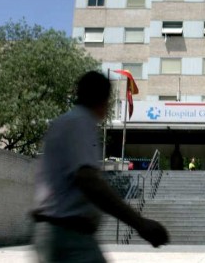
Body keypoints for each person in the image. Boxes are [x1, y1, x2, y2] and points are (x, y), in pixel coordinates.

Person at [33, 71, 169, 262]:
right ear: (104, 100)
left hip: (53, 232)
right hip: (69, 235)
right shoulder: (81, 122)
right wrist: (139, 223)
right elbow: (88, 180)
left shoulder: (62, 123)